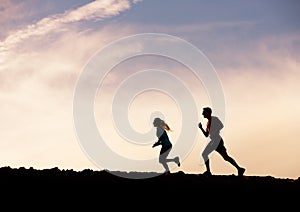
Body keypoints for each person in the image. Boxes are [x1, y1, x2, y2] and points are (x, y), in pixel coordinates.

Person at [198, 107, 245, 177]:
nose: (202, 114)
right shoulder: (208, 123)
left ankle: (208, 172)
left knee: (205, 154)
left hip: (217, 140)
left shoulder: (214, 119)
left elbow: (221, 126)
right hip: (214, 141)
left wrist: (214, 131)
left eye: (204, 112)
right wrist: (201, 128)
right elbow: (206, 135)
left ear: (208, 112)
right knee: (225, 157)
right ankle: (239, 169)